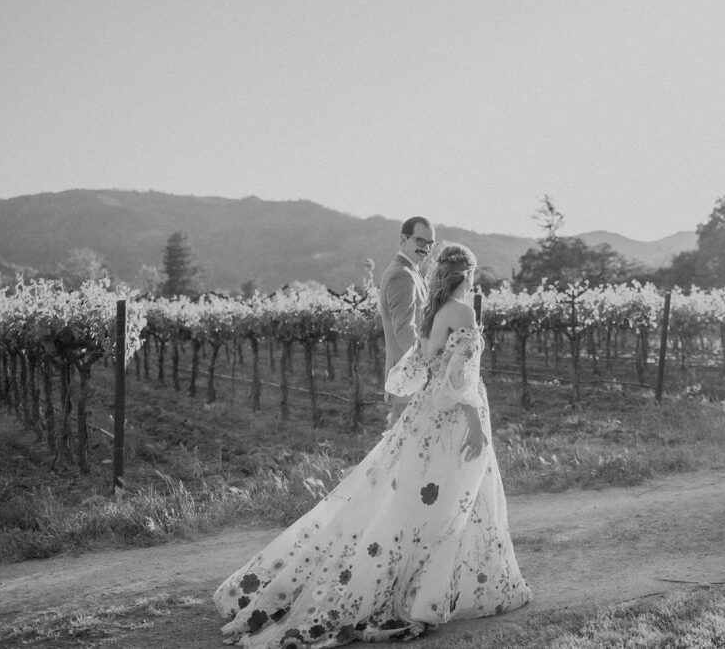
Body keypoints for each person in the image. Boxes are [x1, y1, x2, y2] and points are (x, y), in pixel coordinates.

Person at [213, 243, 531, 648]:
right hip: (454, 419)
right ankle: (427, 595)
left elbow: (417, 371)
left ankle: (426, 590)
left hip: (424, 417)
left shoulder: (432, 313)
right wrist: (474, 423)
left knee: (418, 505)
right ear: (468, 275)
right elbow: (461, 376)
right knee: (455, 504)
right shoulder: (464, 312)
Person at [377, 216, 434, 425]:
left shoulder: (412, 272)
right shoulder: (402, 275)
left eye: (430, 244)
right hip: (408, 374)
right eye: (420, 242)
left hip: (410, 375)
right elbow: (404, 330)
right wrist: (430, 365)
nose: (426, 249)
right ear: (403, 239)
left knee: (402, 449)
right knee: (400, 449)